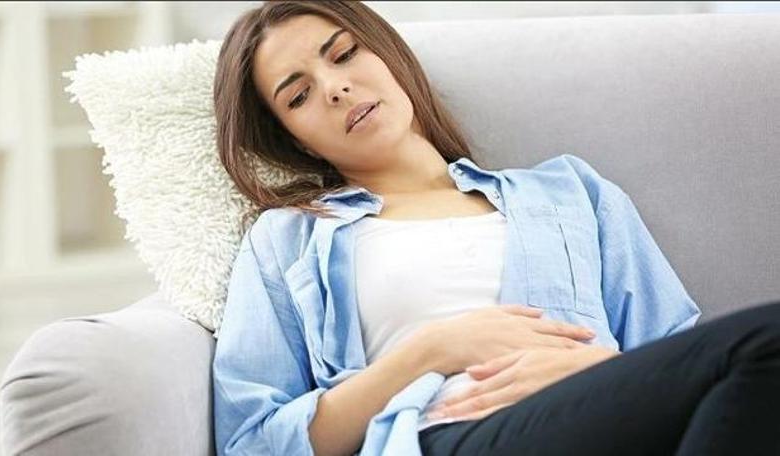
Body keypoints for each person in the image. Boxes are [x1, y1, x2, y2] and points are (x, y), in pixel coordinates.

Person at [211, 2, 780, 455]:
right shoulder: (290, 239)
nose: (334, 88)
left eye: (343, 55)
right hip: (448, 434)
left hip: (609, 420)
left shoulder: (570, 192)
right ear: (297, 141)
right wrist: (430, 351)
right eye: (300, 96)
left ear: (387, 55)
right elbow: (253, 441)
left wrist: (598, 368)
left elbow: (678, 356)